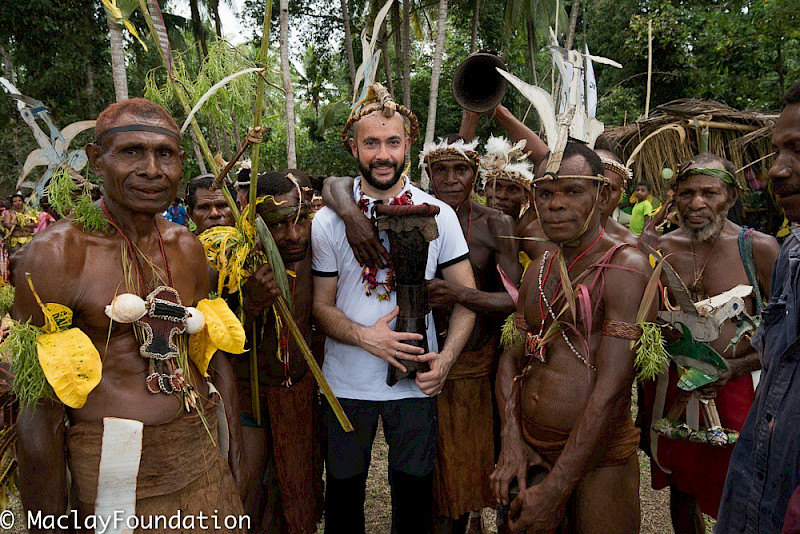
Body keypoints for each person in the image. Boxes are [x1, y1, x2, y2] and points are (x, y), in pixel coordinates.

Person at [13, 98, 246, 533]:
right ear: (96, 159)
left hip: (199, 450)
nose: (153, 170)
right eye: (132, 152)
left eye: (166, 154)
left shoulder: (188, 247)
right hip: (111, 471)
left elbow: (209, 355)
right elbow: (38, 407)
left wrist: (234, 457)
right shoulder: (54, 256)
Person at [312, 83, 477, 534]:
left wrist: (445, 360)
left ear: (408, 145)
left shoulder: (438, 213)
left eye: (392, 142)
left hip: (415, 386)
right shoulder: (329, 220)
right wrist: (369, 338)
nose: (382, 154)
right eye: (371, 143)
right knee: (343, 501)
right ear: (353, 147)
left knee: (413, 500)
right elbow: (321, 308)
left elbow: (466, 300)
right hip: (346, 384)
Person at [491, 141, 653, 533]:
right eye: (545, 193)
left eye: (572, 191)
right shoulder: (538, 270)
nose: (556, 204)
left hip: (600, 459)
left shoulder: (626, 269)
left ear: (601, 196)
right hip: (530, 447)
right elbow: (511, 359)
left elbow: (612, 390)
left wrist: (556, 489)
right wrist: (512, 440)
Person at [640, 153, 779, 533]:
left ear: (731, 197)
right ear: (673, 198)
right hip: (674, 389)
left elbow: (789, 331)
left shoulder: (759, 249)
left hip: (741, 391)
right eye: (686, 193)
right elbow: (642, 321)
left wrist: (735, 367)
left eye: (709, 193)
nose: (697, 203)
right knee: (680, 485)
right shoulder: (658, 249)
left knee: (747, 487)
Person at [716, 81, 800, 533]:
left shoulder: (762, 248)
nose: (776, 170)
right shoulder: (792, 254)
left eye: (798, 149)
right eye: (777, 151)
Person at [234, 170, 324, 533]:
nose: (293, 235)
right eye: (278, 225)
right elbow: (213, 340)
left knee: (296, 490)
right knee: (248, 488)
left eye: (300, 220)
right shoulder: (233, 261)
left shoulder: (321, 250)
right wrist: (249, 306)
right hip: (249, 396)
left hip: (299, 391)